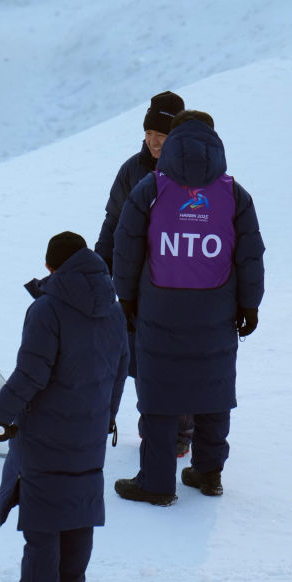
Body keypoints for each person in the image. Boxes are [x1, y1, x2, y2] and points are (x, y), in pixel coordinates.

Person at [112, 111, 265, 506]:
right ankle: (209, 474)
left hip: (159, 312)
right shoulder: (234, 194)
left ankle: (157, 483)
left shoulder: (149, 188)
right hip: (216, 314)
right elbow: (250, 256)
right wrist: (250, 305)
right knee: (212, 390)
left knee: (160, 394)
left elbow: (126, 247)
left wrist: (126, 298)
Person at [0, 232, 129, 582]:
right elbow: (120, 370)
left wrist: (0, 411)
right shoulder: (112, 308)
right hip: (90, 430)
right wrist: (106, 416)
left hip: (48, 432)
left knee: (43, 519)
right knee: (78, 510)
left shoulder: (47, 310)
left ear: (51, 267)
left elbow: (32, 373)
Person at [94, 91, 194, 457]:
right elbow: (113, 223)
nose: (153, 140)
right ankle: (158, 426)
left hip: (182, 285)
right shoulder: (132, 170)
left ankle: (180, 432)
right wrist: (99, 269)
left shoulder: (194, 174)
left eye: (162, 134)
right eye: (149, 131)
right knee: (142, 358)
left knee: (176, 359)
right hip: (137, 284)